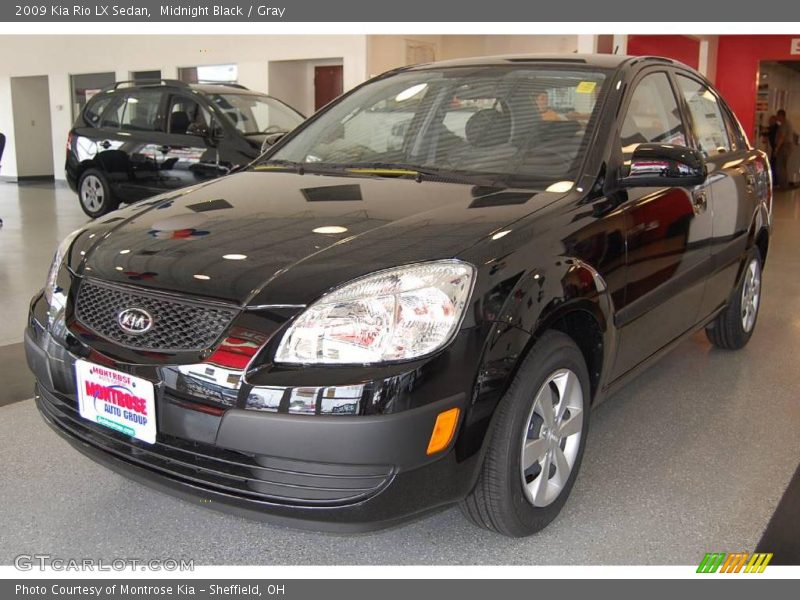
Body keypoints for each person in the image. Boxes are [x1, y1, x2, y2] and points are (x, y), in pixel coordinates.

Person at [775, 109, 795, 188]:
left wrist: (777, 148)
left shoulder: (785, 124)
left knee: (780, 166)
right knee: (783, 165)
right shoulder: (786, 123)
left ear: (781, 116)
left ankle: (783, 185)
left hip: (784, 147)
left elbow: (782, 137)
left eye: (778, 116)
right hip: (786, 146)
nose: (777, 118)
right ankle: (784, 184)